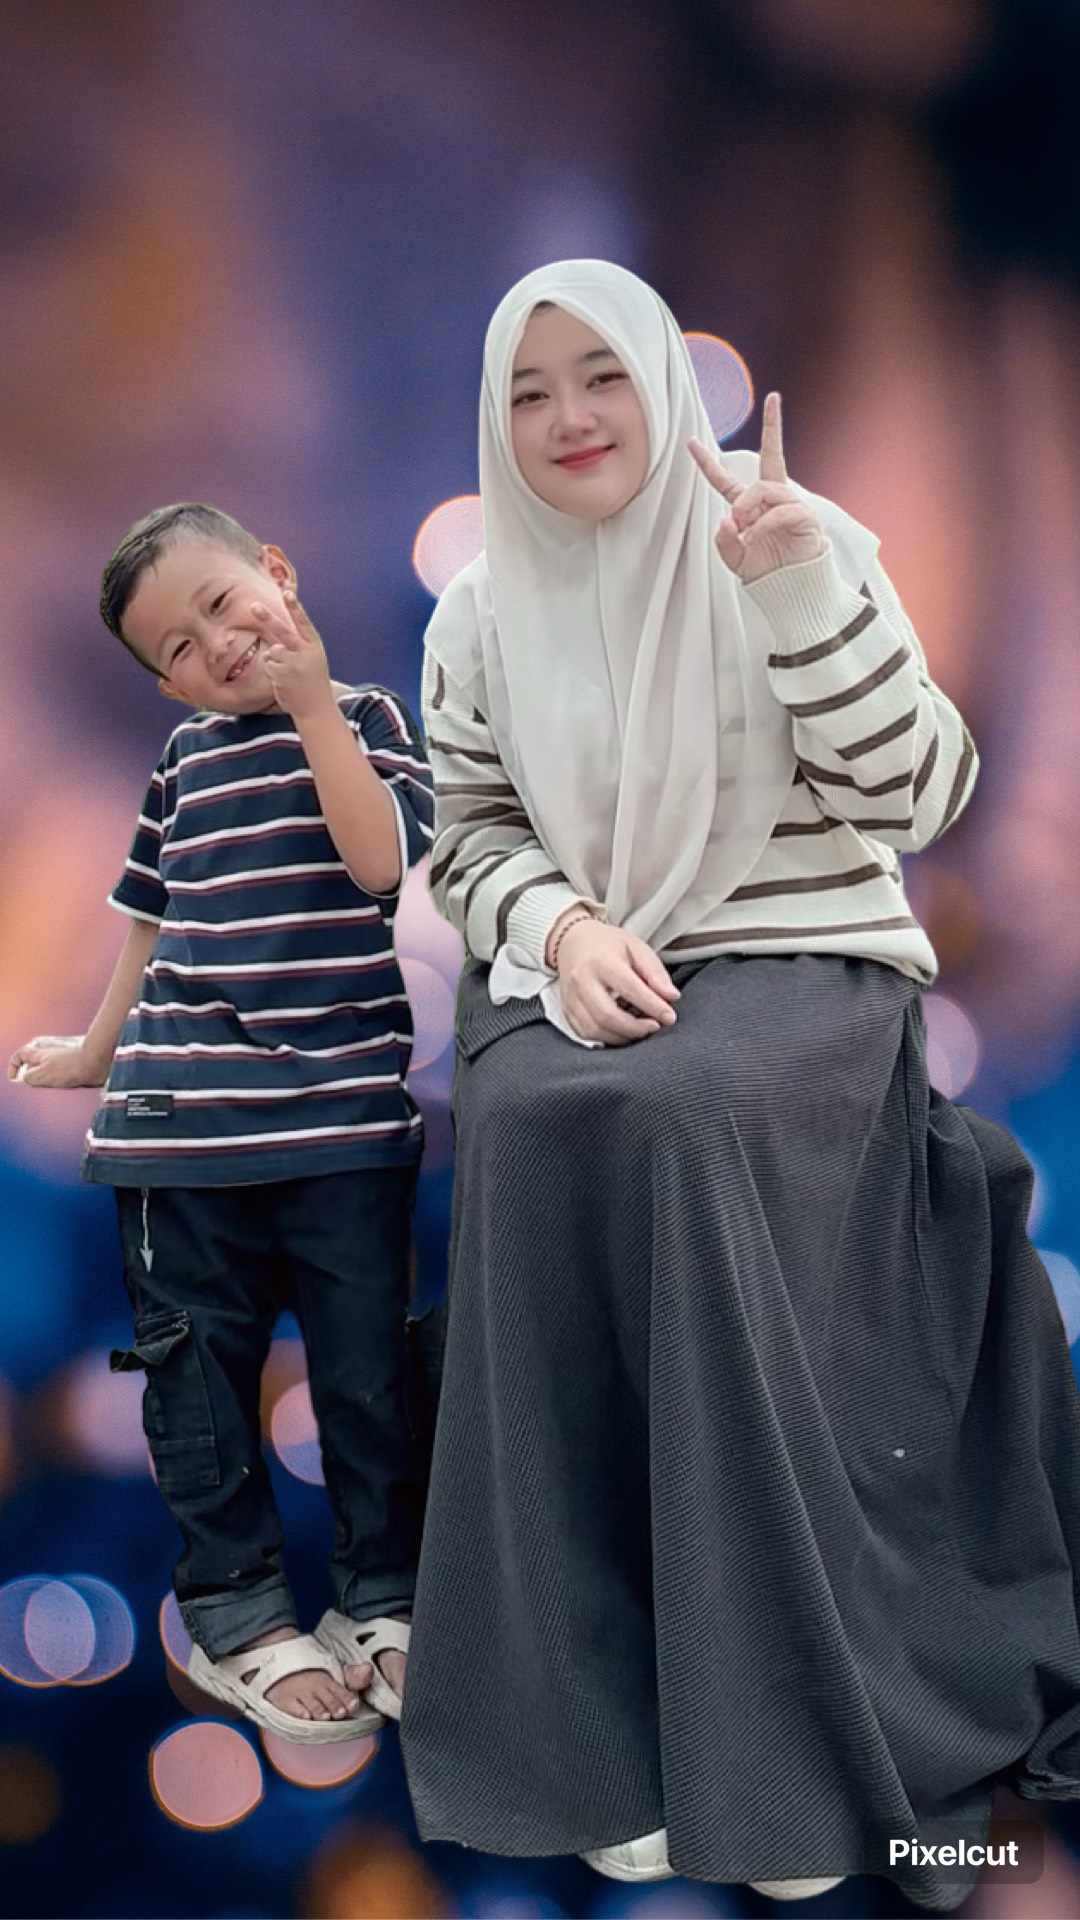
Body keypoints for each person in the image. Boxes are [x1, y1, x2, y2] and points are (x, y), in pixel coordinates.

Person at [399, 260, 1080, 1908]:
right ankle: (601, 1727)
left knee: (680, 1119)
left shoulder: (797, 537)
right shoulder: (477, 610)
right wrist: (561, 930)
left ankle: (766, 1734)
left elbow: (923, 792)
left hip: (803, 954)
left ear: (657, 382)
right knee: (534, 1124)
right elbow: (467, 840)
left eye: (600, 377)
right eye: (530, 391)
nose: (570, 417)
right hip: (571, 966)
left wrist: (794, 592)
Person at [8, 504, 434, 1744]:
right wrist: (94, 1048)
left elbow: (378, 863)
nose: (216, 647)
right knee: (198, 1383)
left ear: (277, 575)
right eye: (179, 649)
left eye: (220, 605)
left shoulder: (368, 724)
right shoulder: (177, 772)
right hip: (177, 1137)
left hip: (339, 1124)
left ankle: (385, 1601)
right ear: (165, 685)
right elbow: (142, 923)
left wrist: (314, 708)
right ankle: (243, 1618)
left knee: (363, 1375)